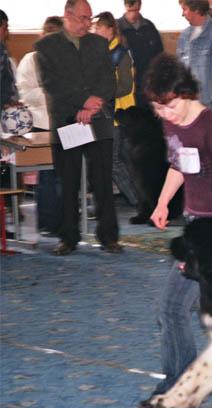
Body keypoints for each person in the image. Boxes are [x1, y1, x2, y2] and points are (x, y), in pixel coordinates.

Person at [141, 53, 212, 402]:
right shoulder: (171, 121)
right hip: (194, 226)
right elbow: (178, 164)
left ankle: (181, 384)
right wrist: (163, 201)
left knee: (178, 308)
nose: (164, 115)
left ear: (185, 93)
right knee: (184, 308)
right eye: (157, 109)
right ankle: (185, 381)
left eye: (168, 107)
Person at [35, 0, 122, 256]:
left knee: (103, 182)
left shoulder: (99, 43)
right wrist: (81, 102)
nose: (87, 24)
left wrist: (91, 106)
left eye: (90, 19)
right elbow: (52, 84)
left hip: (98, 121)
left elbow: (108, 80)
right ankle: (68, 237)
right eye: (83, 18)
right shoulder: (46, 47)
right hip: (67, 122)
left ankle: (109, 237)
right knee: (68, 183)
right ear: (67, 15)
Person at [16, 16, 64, 234]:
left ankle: (63, 220)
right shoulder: (30, 59)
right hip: (40, 124)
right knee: (46, 176)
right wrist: (50, 93)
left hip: (63, 123)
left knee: (64, 174)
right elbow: (25, 92)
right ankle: (47, 222)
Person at [92, 11, 139, 213]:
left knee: (114, 163)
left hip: (119, 114)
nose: (95, 31)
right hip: (104, 114)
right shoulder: (101, 52)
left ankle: (140, 202)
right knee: (120, 161)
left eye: (98, 28)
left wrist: (101, 91)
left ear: (110, 29)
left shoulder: (121, 54)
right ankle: (143, 200)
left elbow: (126, 86)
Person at [178, 0, 212, 115]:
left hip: (209, 106)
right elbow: (181, 71)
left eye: (185, 9)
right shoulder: (184, 36)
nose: (182, 14)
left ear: (196, 9)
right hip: (189, 104)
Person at [117, 0, 163, 107]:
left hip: (148, 87)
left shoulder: (149, 27)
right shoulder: (116, 28)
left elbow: (160, 56)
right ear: (124, 6)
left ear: (140, 6)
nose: (133, 15)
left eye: (136, 10)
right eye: (130, 10)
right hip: (126, 89)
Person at [0, 10, 18, 109]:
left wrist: (9, 100)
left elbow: (7, 79)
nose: (7, 32)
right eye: (5, 28)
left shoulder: (2, 50)